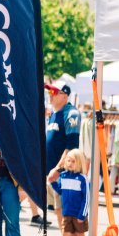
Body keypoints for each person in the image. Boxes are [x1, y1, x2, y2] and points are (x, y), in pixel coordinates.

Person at [44, 83, 80, 228]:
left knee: (68, 216)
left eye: (54, 92)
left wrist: (58, 169)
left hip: (64, 174)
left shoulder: (71, 113)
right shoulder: (53, 114)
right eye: (49, 91)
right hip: (52, 174)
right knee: (59, 213)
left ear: (64, 95)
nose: (50, 95)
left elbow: (71, 147)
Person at [48, 149, 89, 236]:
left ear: (80, 163)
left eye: (73, 161)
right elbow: (61, 191)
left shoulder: (82, 178)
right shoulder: (63, 176)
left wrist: (82, 214)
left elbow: (86, 198)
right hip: (67, 213)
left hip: (79, 214)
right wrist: (53, 183)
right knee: (66, 234)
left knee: (80, 234)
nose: (70, 163)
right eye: (68, 160)